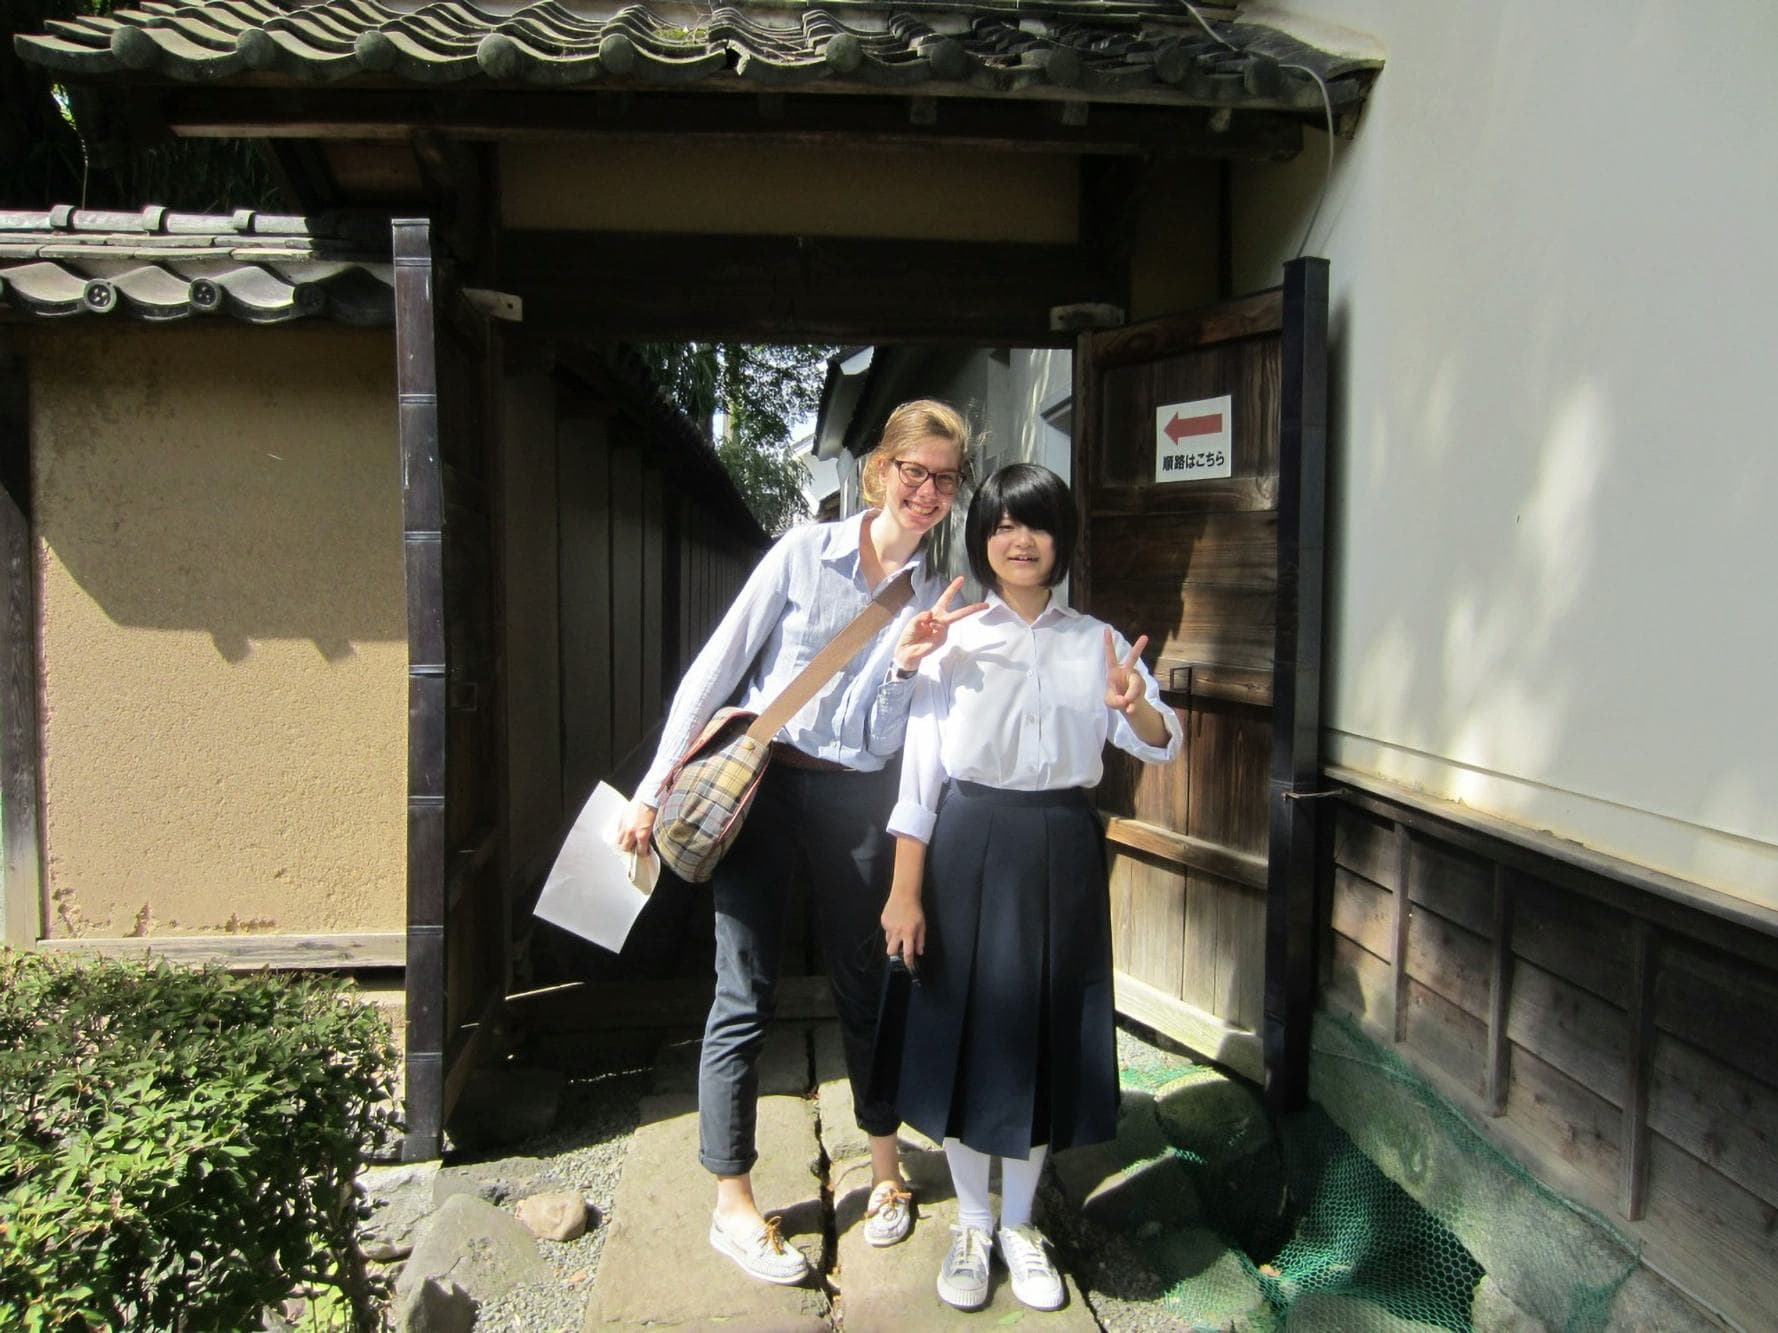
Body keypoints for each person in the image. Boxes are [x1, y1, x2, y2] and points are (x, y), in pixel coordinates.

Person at [616, 399, 987, 1286]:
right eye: (914, 472)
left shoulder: (936, 590)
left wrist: (906, 660)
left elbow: (878, 732)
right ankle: (732, 1200)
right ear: (881, 469)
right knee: (742, 987)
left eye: (944, 477)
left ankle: (887, 1171)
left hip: (857, 793)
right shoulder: (800, 553)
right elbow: (716, 665)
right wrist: (652, 782)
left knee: (871, 981)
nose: (928, 492)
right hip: (766, 780)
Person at [876, 462, 1182, 1312]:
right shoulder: (954, 636)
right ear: (983, 538)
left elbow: (1163, 743)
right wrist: (905, 891)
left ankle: (1021, 1223)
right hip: (968, 842)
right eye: (1002, 524)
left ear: (1060, 540)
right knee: (970, 1033)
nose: (1018, 540)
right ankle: (972, 1222)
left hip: (1061, 843)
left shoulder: (1098, 640)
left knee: (1047, 1029)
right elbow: (920, 779)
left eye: (1036, 525)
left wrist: (1134, 706)